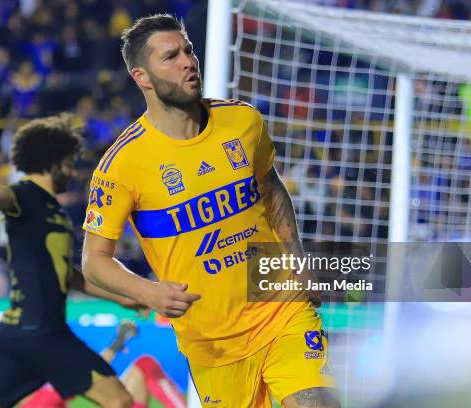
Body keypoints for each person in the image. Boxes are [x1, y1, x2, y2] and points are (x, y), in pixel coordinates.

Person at [81, 14, 338, 408]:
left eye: (188, 50)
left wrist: (296, 257)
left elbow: (270, 187)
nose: (188, 61)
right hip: (212, 343)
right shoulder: (122, 165)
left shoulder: (242, 121)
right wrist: (148, 292)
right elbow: (94, 262)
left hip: (280, 306)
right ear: (142, 77)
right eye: (171, 56)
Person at [0, 115, 134, 408]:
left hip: (18, 334)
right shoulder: (25, 195)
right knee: (118, 401)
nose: (71, 170)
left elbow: (67, 276)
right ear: (53, 160)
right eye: (69, 162)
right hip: (44, 333)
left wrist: (123, 298)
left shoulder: (53, 208)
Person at [21, 320, 186, 408]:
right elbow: (87, 371)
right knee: (145, 364)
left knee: (144, 365)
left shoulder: (44, 390)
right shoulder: (45, 393)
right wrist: (118, 342)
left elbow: (87, 371)